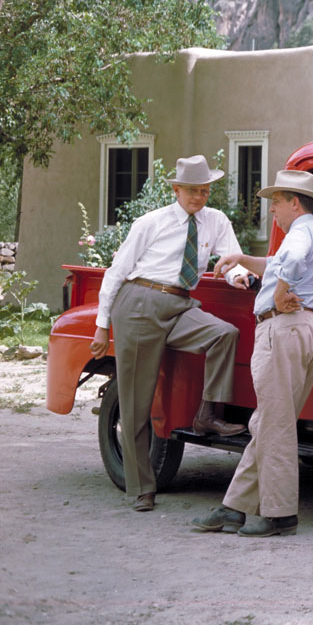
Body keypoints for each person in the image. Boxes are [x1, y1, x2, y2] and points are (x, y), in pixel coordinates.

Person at [89, 155, 253, 513]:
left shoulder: (216, 221)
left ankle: (206, 414)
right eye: (192, 190)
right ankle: (141, 487)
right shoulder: (152, 222)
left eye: (205, 190)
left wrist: (238, 275)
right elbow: (117, 272)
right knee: (136, 403)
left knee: (223, 334)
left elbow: (230, 260)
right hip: (139, 304)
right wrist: (103, 324)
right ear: (176, 190)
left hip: (180, 304)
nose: (199, 197)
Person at [191, 169, 313, 538]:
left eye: (276, 204)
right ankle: (234, 507)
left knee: (275, 424)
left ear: (293, 202)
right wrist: (243, 257)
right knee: (269, 422)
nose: (273, 211)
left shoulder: (300, 233)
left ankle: (279, 513)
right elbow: (278, 264)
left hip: (282, 329)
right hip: (310, 328)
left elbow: (289, 263)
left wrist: (277, 294)